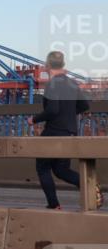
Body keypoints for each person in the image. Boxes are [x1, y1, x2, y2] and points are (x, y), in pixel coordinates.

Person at [32, 51, 103, 210]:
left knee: (42, 167)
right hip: (70, 132)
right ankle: (89, 186)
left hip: (53, 133)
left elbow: (52, 110)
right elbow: (84, 106)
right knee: (61, 170)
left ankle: (54, 205)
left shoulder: (51, 84)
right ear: (62, 64)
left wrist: (34, 119)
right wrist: (69, 115)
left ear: (48, 65)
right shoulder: (72, 83)